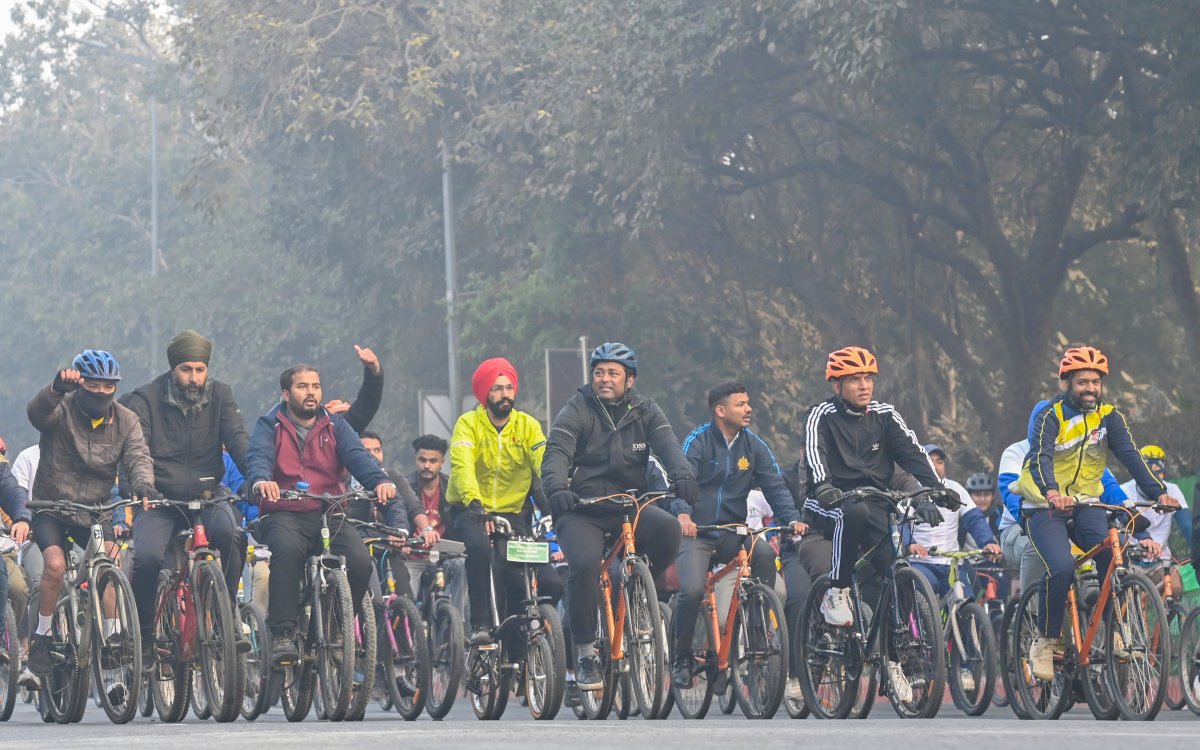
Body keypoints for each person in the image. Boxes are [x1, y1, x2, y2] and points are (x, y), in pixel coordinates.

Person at [541, 342, 695, 691]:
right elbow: (556, 453)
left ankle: (638, 590)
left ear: (630, 380)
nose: (604, 379)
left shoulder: (646, 410)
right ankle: (584, 652)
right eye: (599, 372)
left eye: (613, 373)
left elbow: (669, 446)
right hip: (581, 509)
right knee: (582, 565)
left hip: (629, 507)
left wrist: (682, 475)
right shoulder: (576, 408)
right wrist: (557, 488)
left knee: (669, 529)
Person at [1014, 345, 1174, 680]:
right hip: (1045, 504)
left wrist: (1158, 491)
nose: (1090, 388)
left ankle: (1114, 632)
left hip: (1087, 502)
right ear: (1067, 382)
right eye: (1083, 381)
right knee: (1059, 568)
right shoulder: (1049, 415)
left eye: (1096, 382)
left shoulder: (1109, 417)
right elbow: (1040, 456)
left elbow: (1130, 455)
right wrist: (1052, 492)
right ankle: (1045, 641)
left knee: (1112, 559)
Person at [245, 363, 397, 665]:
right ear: (286, 394)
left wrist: (380, 481)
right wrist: (263, 481)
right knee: (286, 552)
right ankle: (284, 633)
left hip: (330, 513)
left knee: (359, 562)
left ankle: (337, 628)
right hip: (285, 511)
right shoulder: (269, 424)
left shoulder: (336, 425)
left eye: (315, 386)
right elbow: (258, 456)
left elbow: (357, 456)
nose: (311, 392)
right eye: (303, 387)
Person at [23, 350, 157, 688]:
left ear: (116, 387)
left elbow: (138, 457)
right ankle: (42, 635)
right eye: (93, 385)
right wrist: (54, 388)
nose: (100, 392)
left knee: (110, 563)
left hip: (95, 509)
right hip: (52, 505)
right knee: (53, 565)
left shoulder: (127, 420)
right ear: (80, 385)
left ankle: (113, 645)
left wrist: (143, 485)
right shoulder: (61, 407)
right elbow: (36, 415)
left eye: (107, 386)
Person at [122, 330, 251, 660]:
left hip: (208, 492)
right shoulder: (146, 398)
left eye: (200, 370)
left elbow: (239, 441)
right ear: (172, 369)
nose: (194, 378)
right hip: (159, 498)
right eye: (186, 370)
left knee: (231, 534)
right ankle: (146, 636)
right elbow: (136, 451)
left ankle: (225, 614)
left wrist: (258, 478)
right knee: (147, 557)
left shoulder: (221, 394)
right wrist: (141, 487)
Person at [805, 347, 948, 633]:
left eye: (868, 378)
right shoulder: (821, 415)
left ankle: (893, 657)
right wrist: (823, 487)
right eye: (855, 379)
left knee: (900, 575)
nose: (864, 386)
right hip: (830, 503)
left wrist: (935, 490)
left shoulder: (886, 415)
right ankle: (837, 591)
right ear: (837, 385)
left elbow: (914, 454)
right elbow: (815, 457)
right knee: (853, 511)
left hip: (875, 505)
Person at [671, 382, 803, 689]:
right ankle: (682, 658)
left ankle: (756, 631)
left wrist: (792, 519)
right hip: (698, 533)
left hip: (735, 531)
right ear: (720, 410)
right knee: (691, 590)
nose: (748, 409)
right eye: (741, 404)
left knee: (766, 557)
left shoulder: (754, 446)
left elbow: (775, 487)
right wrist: (683, 513)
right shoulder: (698, 441)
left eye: (748, 403)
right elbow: (681, 479)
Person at [446, 358, 562, 648]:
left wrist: (560, 491)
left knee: (546, 581)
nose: (506, 394)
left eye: (510, 387)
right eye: (498, 388)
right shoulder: (468, 424)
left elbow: (543, 462)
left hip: (512, 514)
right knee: (480, 549)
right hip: (470, 510)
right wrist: (474, 502)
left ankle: (518, 641)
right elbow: (462, 467)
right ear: (485, 393)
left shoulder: (527, 425)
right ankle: (481, 624)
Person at [352, 430, 438, 599]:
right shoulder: (349, 478)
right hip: (360, 551)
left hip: (388, 551)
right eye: (367, 451)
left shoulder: (393, 477)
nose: (373, 455)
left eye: (377, 450)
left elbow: (413, 505)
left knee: (407, 601)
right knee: (372, 601)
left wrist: (426, 528)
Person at [406, 434, 467, 617]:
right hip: (413, 558)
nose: (427, 466)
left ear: (442, 462)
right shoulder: (405, 487)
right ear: (416, 459)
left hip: (445, 557)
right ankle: (408, 637)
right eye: (422, 460)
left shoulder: (453, 488)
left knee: (462, 564)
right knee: (407, 604)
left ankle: (458, 623)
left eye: (433, 461)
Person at [1120, 445, 1191, 595]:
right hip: (1132, 561)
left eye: (1159, 472)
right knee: (1132, 598)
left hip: (1159, 561)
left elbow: (1187, 525)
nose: (1155, 479)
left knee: (1175, 588)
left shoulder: (1172, 490)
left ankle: (1163, 619)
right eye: (1149, 474)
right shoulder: (1124, 491)